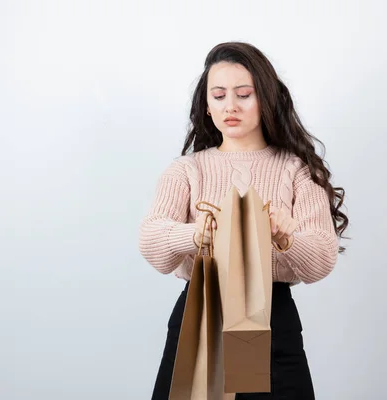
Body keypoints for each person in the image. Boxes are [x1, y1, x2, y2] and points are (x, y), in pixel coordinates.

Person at [139, 41, 349, 399]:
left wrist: (286, 236)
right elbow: (153, 243)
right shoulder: (187, 170)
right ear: (206, 107)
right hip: (200, 312)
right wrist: (197, 235)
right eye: (218, 96)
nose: (230, 106)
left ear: (265, 98)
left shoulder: (296, 171)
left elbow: (322, 259)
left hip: (270, 317)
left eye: (244, 94)